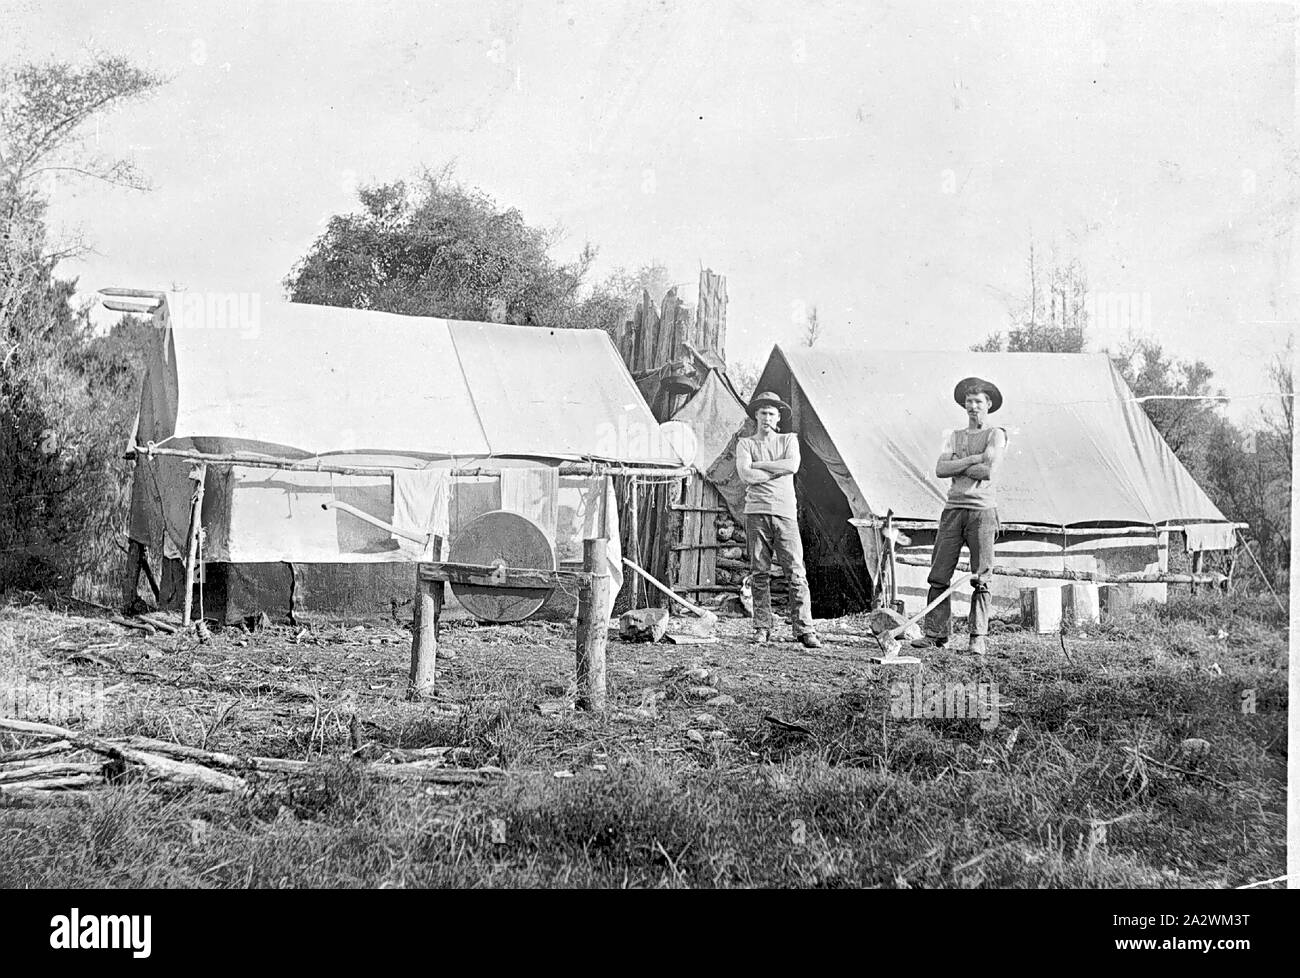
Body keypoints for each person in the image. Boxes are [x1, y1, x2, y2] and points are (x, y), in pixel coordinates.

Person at [912, 377, 1008, 656]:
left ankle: (977, 636)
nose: (973, 407)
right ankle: (935, 634)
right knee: (939, 573)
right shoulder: (953, 436)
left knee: (981, 576)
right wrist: (970, 460)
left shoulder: (996, 435)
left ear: (988, 404)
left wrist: (960, 465)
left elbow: (987, 471)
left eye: (978, 401)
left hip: (982, 511)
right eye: (969, 402)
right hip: (953, 509)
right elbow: (941, 469)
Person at [734, 391, 821, 649]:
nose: (767, 418)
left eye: (772, 413)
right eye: (762, 413)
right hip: (756, 511)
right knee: (759, 572)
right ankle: (762, 627)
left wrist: (761, 465)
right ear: (756, 416)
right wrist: (776, 469)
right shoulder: (745, 443)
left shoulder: (789, 439)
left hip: (785, 512)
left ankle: (804, 629)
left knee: (795, 571)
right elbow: (745, 475)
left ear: (779, 417)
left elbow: (793, 465)